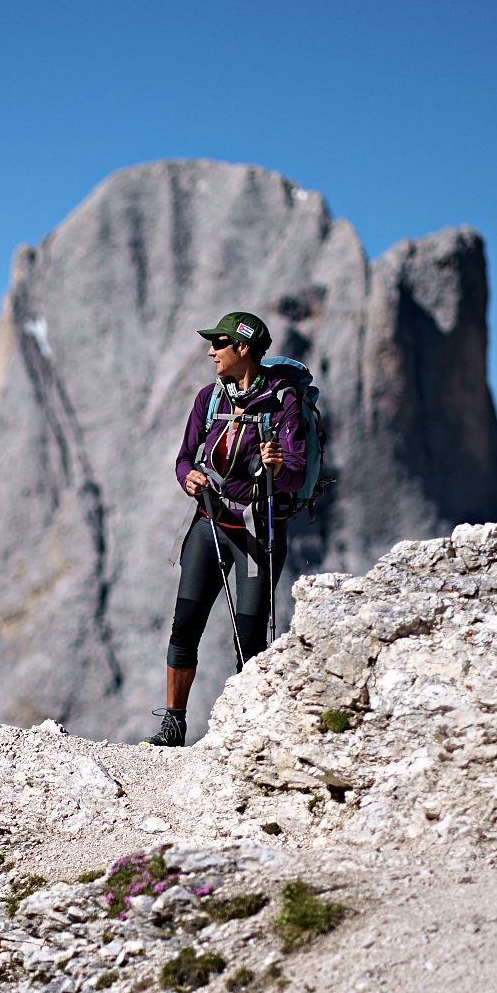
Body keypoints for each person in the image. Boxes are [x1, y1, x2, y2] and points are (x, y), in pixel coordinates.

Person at [143, 311, 307, 747]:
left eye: (219, 343)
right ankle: (173, 726)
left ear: (243, 347)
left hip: (259, 531)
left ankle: (245, 731)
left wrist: (278, 466)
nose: (210, 351)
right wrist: (188, 478)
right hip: (210, 522)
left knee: (249, 639)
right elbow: (184, 457)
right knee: (184, 626)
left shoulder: (283, 401)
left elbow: (296, 473)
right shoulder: (209, 398)